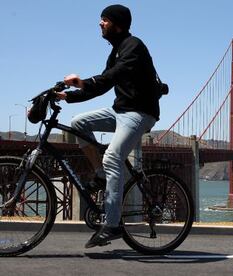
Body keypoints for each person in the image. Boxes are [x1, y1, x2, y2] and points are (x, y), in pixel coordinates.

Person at [56, 4, 160, 248]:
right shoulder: (115, 52)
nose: (100, 24)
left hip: (140, 113)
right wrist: (68, 97)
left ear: (119, 24)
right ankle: (101, 175)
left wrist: (82, 82)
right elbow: (102, 86)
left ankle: (112, 225)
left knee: (112, 157)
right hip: (120, 111)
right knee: (78, 122)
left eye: (105, 20)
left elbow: (112, 76)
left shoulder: (134, 46)